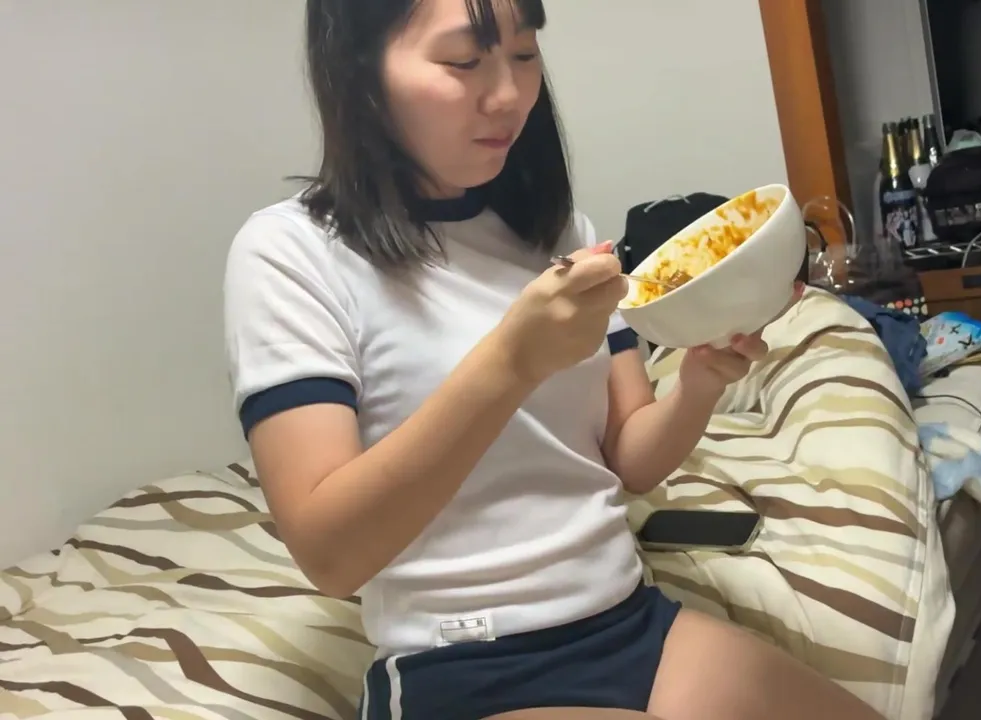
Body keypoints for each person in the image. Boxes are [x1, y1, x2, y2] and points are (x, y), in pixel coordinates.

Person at [223, 0, 883, 718]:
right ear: (359, 70)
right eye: (464, 60)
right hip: (463, 666)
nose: (509, 94)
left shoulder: (558, 233)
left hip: (626, 622)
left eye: (525, 53)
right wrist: (510, 363)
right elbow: (330, 556)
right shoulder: (291, 253)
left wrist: (698, 383)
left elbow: (628, 459)